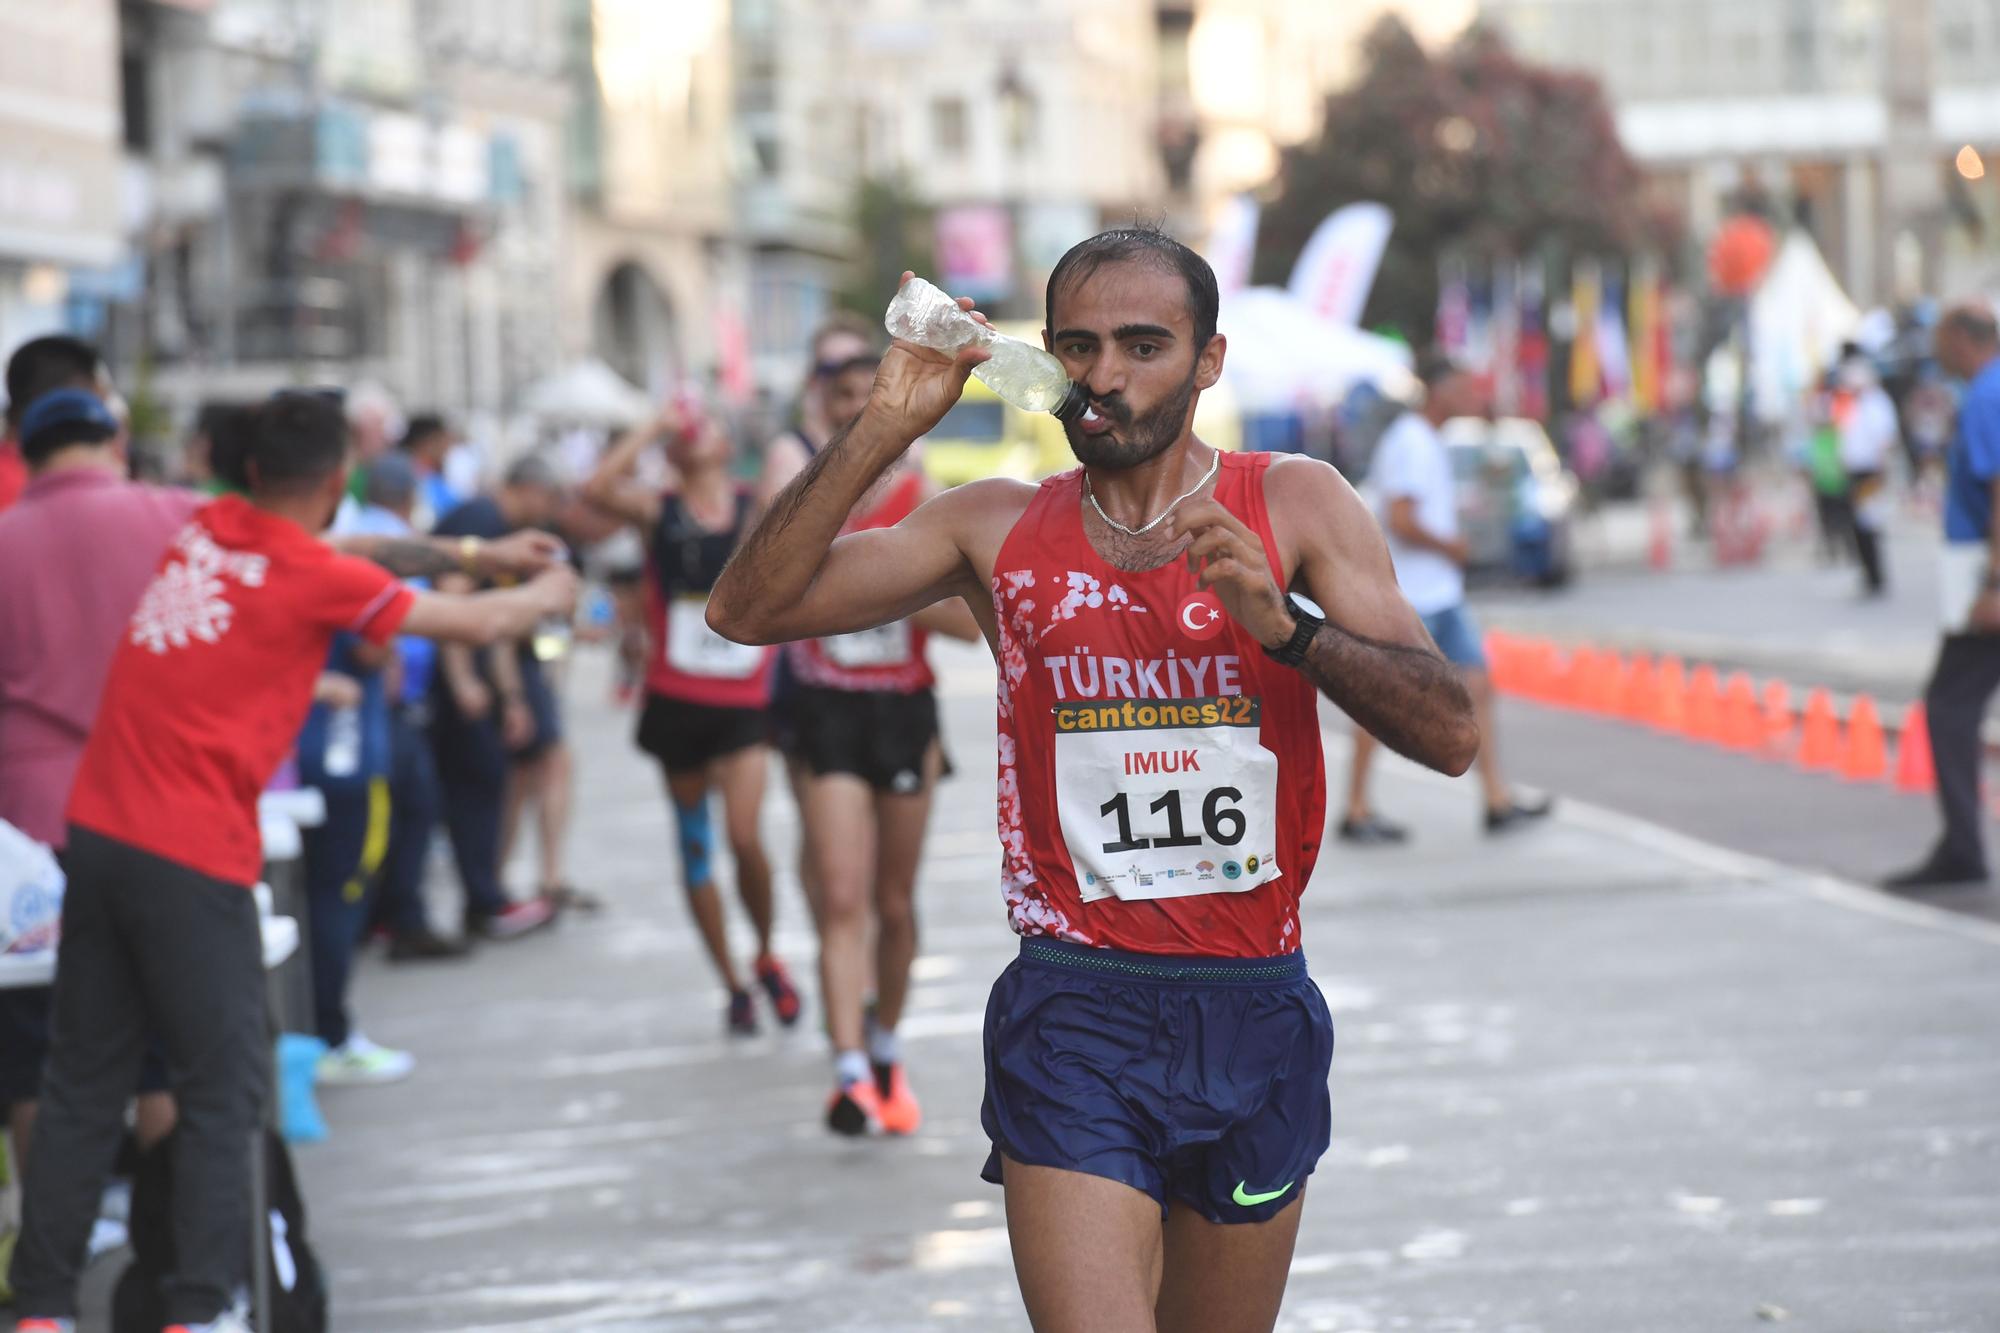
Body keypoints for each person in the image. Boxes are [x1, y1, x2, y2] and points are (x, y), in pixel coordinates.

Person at [709, 229, 1479, 1332]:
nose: (1104, 376)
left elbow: (1448, 732)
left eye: (1141, 345)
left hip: (1251, 1005)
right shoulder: (995, 526)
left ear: (1209, 360)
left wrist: (1290, 630)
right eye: (1077, 346)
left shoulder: (1296, 504)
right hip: (1075, 1006)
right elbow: (747, 609)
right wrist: (883, 421)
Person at [8, 389, 576, 1333]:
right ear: (341, 478)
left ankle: (41, 1309)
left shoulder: (208, 523)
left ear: (253, 472)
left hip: (97, 836)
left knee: (81, 1082)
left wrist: (478, 553)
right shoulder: (312, 573)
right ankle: (198, 1306)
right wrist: (548, 593)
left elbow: (346, 553)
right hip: (191, 853)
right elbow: (472, 625)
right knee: (223, 1086)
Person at [772, 352, 980, 1135]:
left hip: (903, 714)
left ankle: (886, 1042)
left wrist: (879, 586)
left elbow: (967, 627)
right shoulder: (803, 505)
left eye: (874, 396)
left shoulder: (925, 503)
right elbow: (763, 594)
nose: (864, 411)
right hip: (824, 712)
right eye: (846, 401)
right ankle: (849, 1071)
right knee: (843, 896)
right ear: (824, 412)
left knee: (894, 904)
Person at [0, 369, 189, 1187]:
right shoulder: (173, 517)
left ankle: (50, 1270)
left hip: (28, 827)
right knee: (161, 1046)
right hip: (152, 808)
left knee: (37, 1045)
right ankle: (172, 1247)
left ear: (23, 451)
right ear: (113, 442)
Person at [582, 404, 804, 1034]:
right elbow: (594, 489)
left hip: (742, 702)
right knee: (696, 849)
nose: (693, 429)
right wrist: (652, 425)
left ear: (727, 440)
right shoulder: (659, 509)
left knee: (743, 835)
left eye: (703, 423)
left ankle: (765, 952)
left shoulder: (752, 505)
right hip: (676, 702)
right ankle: (731, 982)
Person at [1338, 353, 1552, 846]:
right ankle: (1355, 808)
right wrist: (1450, 545)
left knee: (1478, 686)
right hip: (1413, 598)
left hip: (1443, 594)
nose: (1472, 395)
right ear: (1438, 391)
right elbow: (1402, 517)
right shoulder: (1410, 441)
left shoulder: (1430, 440)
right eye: (1463, 387)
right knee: (1382, 703)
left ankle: (1497, 799)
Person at [430, 456, 572, 937]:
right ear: (529, 489)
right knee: (477, 782)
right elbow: (454, 600)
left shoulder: (497, 525)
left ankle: (491, 893)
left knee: (496, 774)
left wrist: (511, 695)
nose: (549, 514)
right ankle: (484, 900)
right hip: (450, 673)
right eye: (548, 502)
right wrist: (461, 678)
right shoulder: (483, 521)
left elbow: (498, 626)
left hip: (479, 669)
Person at [1886, 303, 2000, 891]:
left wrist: (1994, 585)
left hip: (1989, 585)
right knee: (1952, 705)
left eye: (1939, 341)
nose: (1935, 353)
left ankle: (1963, 848)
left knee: (1950, 708)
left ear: (1963, 339)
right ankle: (1960, 846)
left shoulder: (1987, 395)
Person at [342, 454, 466, 961]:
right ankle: (400, 919)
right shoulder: (390, 541)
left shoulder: (358, 530)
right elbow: (380, 620)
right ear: (407, 496)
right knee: (408, 809)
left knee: (396, 810)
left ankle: (384, 916)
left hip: (385, 698)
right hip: (384, 699)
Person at [1835, 344, 1897, 597]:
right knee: (1859, 526)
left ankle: (1875, 576)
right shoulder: (1852, 404)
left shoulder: (1876, 402)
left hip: (1870, 472)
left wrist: (1881, 474)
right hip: (1854, 471)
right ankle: (1868, 573)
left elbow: (1884, 439)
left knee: (1869, 524)